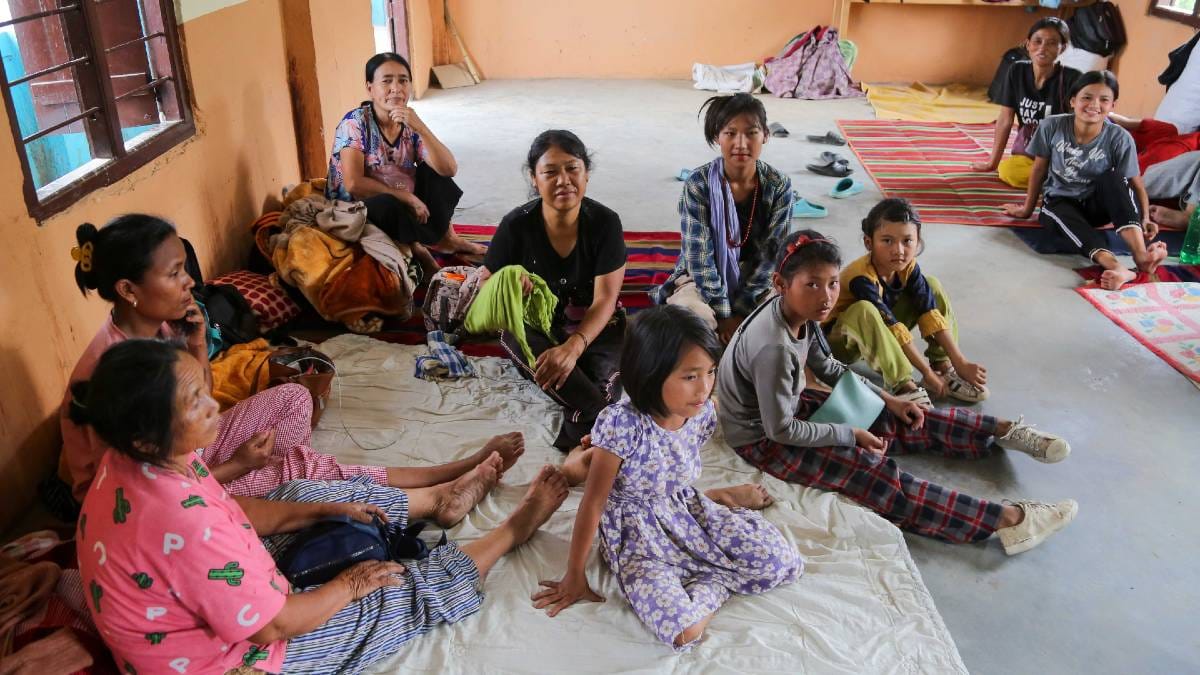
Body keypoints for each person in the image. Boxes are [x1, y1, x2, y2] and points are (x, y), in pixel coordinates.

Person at [72, 339, 569, 674]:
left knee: (308, 495)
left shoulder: (134, 459)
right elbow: (273, 626)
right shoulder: (177, 516)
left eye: (204, 390)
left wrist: (325, 510)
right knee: (393, 591)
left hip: (217, 594)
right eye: (194, 401)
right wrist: (349, 586)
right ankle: (512, 531)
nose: (214, 405)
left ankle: (438, 501)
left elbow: (233, 509)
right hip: (236, 660)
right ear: (146, 436)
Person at [63, 214, 523, 515]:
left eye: (184, 268)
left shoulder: (161, 327)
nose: (188, 282)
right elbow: (146, 491)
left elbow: (201, 400)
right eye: (173, 274)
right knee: (291, 473)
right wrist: (236, 466)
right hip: (147, 499)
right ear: (128, 290)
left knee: (294, 398)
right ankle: (433, 493)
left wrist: (198, 345)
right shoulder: (113, 373)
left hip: (184, 450)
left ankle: (292, 481)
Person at [718, 230, 1078, 554]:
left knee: (899, 416)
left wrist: (888, 399)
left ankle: (1000, 430)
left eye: (832, 284)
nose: (826, 297)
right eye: (812, 284)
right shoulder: (775, 349)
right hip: (762, 438)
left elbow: (828, 366)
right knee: (872, 473)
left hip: (787, 407)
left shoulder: (798, 314)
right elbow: (780, 430)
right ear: (781, 284)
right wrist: (849, 435)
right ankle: (1011, 521)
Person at [532, 306, 801, 650]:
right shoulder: (622, 424)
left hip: (685, 511)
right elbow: (593, 503)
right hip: (637, 537)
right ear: (650, 374)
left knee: (779, 562)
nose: (704, 388)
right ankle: (716, 583)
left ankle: (717, 506)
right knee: (683, 631)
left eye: (710, 372)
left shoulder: (702, 412)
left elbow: (671, 469)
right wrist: (575, 575)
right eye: (690, 377)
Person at [475, 130, 627, 453]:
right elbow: (486, 287)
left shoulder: (605, 223)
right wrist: (508, 282)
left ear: (586, 174)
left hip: (594, 328)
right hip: (537, 330)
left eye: (572, 169)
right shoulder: (516, 225)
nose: (564, 181)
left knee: (607, 385)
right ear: (534, 178)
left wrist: (573, 347)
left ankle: (585, 421)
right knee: (518, 335)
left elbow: (605, 300)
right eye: (550, 172)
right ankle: (599, 418)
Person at [1003, 70, 1167, 290]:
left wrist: (1145, 217)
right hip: (1060, 203)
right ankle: (1116, 266)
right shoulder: (1051, 126)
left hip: (1097, 208)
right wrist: (1026, 209)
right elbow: (1039, 169)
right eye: (1087, 97)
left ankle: (1141, 256)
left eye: (1104, 100)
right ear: (1073, 101)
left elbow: (1134, 184)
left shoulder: (1119, 138)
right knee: (1053, 209)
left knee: (1114, 177)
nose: (1094, 105)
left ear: (1113, 106)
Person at [326, 52, 484, 274]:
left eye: (403, 80)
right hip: (359, 205)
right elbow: (353, 184)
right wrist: (406, 197)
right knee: (386, 204)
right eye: (386, 81)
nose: (396, 88)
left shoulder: (409, 123)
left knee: (435, 174)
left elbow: (449, 169)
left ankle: (448, 239)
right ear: (370, 88)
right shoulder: (355, 123)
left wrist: (421, 128)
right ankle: (416, 248)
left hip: (400, 196)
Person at [653, 93, 793, 344]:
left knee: (788, 313)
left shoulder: (778, 185)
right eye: (730, 133)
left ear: (765, 135)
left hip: (757, 284)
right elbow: (699, 258)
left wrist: (742, 308)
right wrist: (724, 313)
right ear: (717, 137)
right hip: (702, 281)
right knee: (692, 320)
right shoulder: (699, 184)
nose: (741, 143)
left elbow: (772, 255)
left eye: (751, 133)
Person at [825, 198, 988, 406]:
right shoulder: (860, 277)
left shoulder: (908, 267)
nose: (899, 250)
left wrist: (961, 362)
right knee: (863, 309)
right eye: (887, 241)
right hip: (841, 345)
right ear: (869, 243)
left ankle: (943, 367)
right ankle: (903, 385)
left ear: (918, 242)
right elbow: (891, 325)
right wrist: (925, 373)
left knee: (932, 285)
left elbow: (929, 312)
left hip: (877, 334)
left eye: (907, 241)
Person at [973, 18, 1081, 188]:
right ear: (1027, 44)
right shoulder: (1017, 71)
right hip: (1030, 151)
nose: (1043, 48)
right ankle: (1056, 181)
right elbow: (1005, 119)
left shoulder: (1072, 78)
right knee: (1008, 171)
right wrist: (992, 163)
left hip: (1062, 153)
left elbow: (1082, 126)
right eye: (1037, 41)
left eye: (1052, 43)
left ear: (1063, 48)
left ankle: (1060, 179)